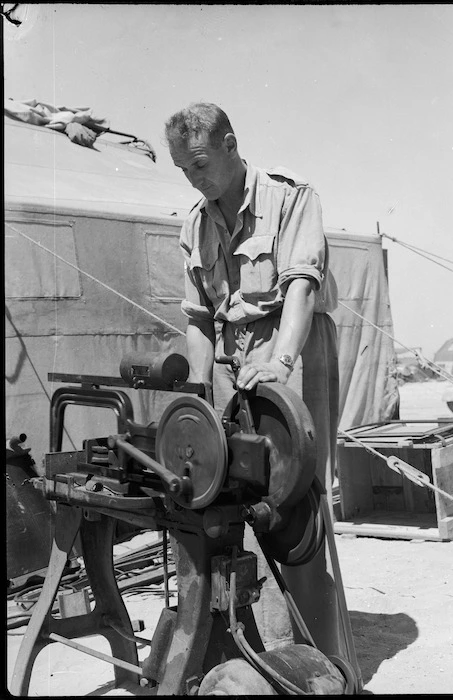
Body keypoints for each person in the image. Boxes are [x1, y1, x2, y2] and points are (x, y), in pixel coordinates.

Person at [164, 102, 346, 660]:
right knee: (227, 497)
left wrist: (282, 363)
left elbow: (301, 288)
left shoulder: (292, 200)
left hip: (292, 350)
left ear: (230, 143)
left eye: (200, 164)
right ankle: (254, 651)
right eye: (183, 170)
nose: (195, 179)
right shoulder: (196, 222)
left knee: (293, 503)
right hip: (229, 360)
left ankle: (320, 660)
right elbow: (198, 317)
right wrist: (197, 390)